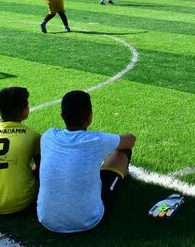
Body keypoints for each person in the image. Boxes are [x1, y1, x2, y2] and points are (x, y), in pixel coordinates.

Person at [37, 90, 136, 233]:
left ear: (62, 115)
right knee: (123, 151)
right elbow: (131, 140)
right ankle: (122, 175)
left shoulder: (48, 136)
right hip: (88, 221)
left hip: (46, 219)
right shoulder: (97, 140)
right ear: (89, 116)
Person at [0, 87, 41, 215]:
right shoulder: (32, 135)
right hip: (22, 202)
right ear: (22, 111)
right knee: (35, 168)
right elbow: (42, 170)